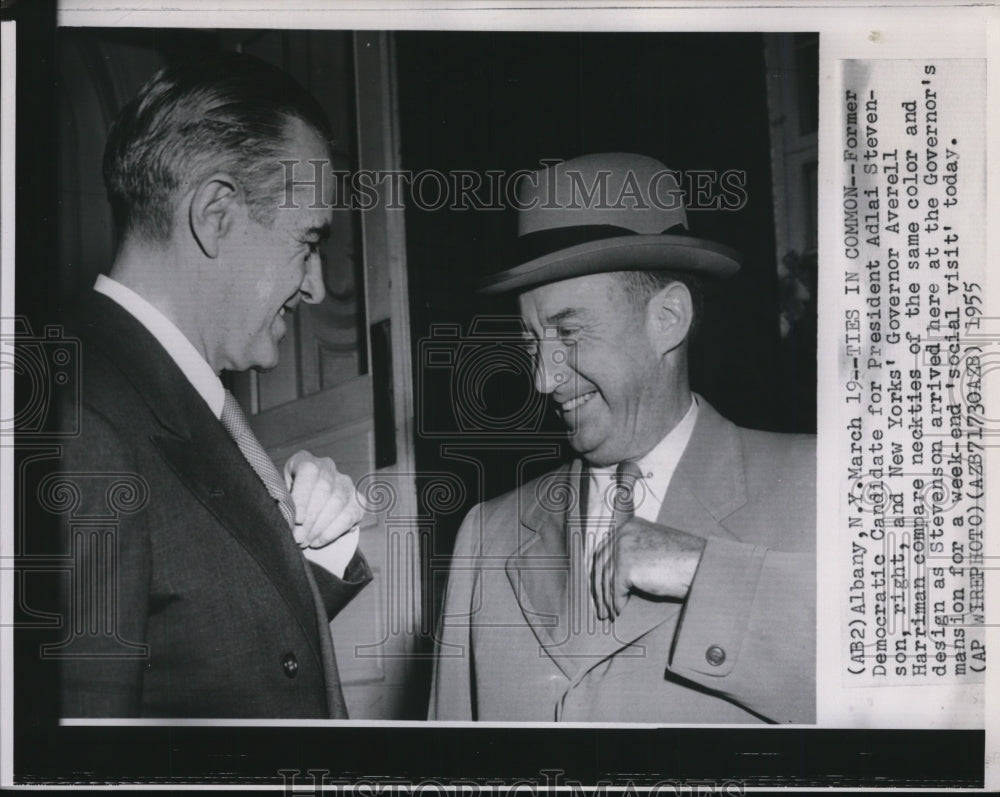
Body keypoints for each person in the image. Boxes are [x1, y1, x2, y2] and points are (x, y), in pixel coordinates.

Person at [429, 153, 815, 723]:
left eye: (568, 330)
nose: (542, 377)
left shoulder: (820, 484)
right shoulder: (485, 538)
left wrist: (704, 570)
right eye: (533, 339)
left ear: (668, 319)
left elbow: (927, 698)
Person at [54, 53, 371, 718]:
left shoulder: (176, 399)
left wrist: (317, 560)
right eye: (307, 241)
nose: (315, 284)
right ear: (217, 214)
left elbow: (199, 654)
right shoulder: (79, 420)